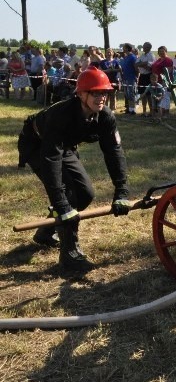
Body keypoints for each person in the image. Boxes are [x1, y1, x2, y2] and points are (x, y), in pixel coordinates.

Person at [17, 67, 131, 272]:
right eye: (95, 92)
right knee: (68, 195)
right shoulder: (61, 115)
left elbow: (114, 152)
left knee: (85, 194)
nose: (101, 97)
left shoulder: (105, 117)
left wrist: (121, 191)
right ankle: (69, 254)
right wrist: (62, 204)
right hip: (37, 145)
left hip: (64, 145)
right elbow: (51, 158)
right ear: (80, 94)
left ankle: (45, 232)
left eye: (104, 92)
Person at [135, 42, 155, 116]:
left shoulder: (151, 55)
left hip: (148, 76)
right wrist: (144, 63)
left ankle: (151, 112)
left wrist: (142, 64)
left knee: (149, 95)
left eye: (144, 46)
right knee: (142, 94)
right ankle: (144, 112)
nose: (143, 47)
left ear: (149, 47)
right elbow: (136, 64)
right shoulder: (142, 55)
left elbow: (150, 67)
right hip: (142, 76)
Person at [120, 43, 138, 115]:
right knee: (127, 94)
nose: (123, 49)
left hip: (131, 78)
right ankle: (129, 109)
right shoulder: (126, 57)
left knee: (131, 94)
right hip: (125, 78)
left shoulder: (133, 57)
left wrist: (136, 77)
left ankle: (133, 110)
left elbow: (136, 68)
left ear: (127, 48)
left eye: (124, 47)